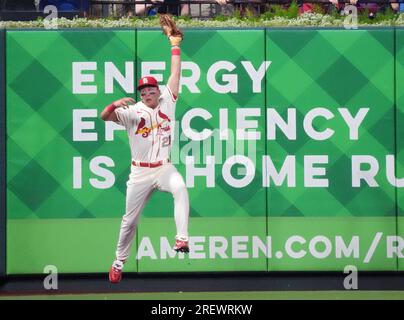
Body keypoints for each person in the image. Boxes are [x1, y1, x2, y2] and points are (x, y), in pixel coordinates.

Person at [101, 30, 190, 284]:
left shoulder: (168, 101)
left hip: (163, 167)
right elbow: (104, 118)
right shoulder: (132, 112)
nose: (147, 94)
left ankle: (182, 238)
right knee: (129, 222)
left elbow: (175, 74)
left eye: (150, 89)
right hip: (139, 172)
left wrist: (175, 45)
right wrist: (113, 106)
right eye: (143, 91)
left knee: (180, 188)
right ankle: (119, 262)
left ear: (157, 90)